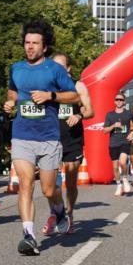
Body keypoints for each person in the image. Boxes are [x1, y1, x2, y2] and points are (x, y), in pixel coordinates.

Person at [3, 20, 79, 256]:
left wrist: (51, 95)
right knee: (25, 183)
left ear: (44, 47)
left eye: (35, 43)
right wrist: (11, 102)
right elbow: (13, 90)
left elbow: (75, 97)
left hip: (48, 138)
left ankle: (58, 209)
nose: (30, 47)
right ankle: (29, 235)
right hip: (22, 135)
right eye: (27, 42)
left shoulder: (54, 70)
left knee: (48, 190)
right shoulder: (16, 68)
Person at [44, 52, 94, 234]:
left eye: (60, 67)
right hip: (50, 139)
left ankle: (70, 214)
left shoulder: (78, 86)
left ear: (68, 69)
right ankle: (55, 213)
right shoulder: (47, 87)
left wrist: (79, 115)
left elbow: (90, 111)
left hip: (72, 139)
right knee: (50, 183)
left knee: (71, 183)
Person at [103, 93, 133, 196]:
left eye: (121, 100)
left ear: (124, 102)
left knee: (122, 162)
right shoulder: (110, 115)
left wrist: (132, 133)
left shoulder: (129, 113)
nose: (119, 101)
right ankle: (118, 185)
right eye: (117, 99)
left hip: (125, 142)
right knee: (115, 167)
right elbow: (104, 130)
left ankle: (125, 179)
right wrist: (113, 126)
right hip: (113, 143)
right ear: (114, 101)